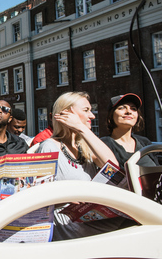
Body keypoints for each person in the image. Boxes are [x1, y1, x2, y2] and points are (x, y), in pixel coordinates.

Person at [35, 91, 123, 240]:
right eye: (86, 110)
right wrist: (65, 196)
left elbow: (113, 167)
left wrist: (82, 129)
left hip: (90, 218)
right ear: (67, 113)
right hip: (67, 224)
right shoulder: (49, 146)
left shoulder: (85, 146)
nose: (92, 116)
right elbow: (38, 196)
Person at [101, 93, 158, 167]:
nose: (129, 111)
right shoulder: (103, 144)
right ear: (111, 115)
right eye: (121, 108)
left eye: (133, 109)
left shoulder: (145, 142)